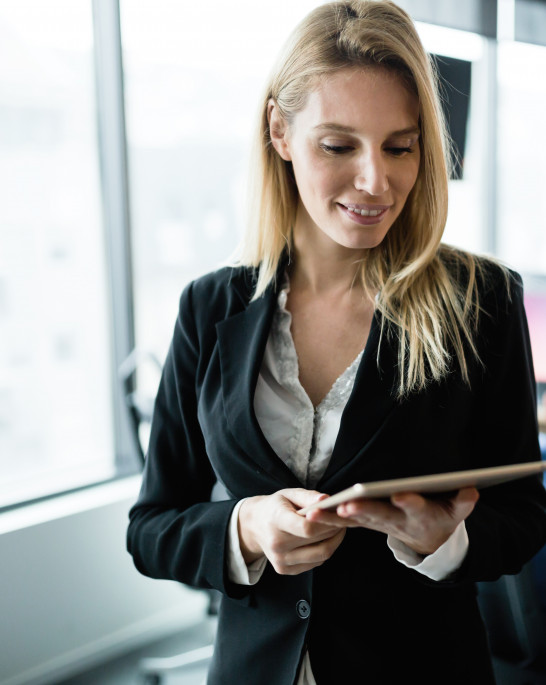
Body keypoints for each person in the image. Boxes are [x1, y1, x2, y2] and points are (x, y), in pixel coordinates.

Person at [126, 2, 546, 683]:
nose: (376, 181)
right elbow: (151, 526)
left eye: (400, 146)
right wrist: (248, 528)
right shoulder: (210, 308)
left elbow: (526, 512)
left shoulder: (484, 301)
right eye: (339, 145)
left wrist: (446, 542)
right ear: (280, 132)